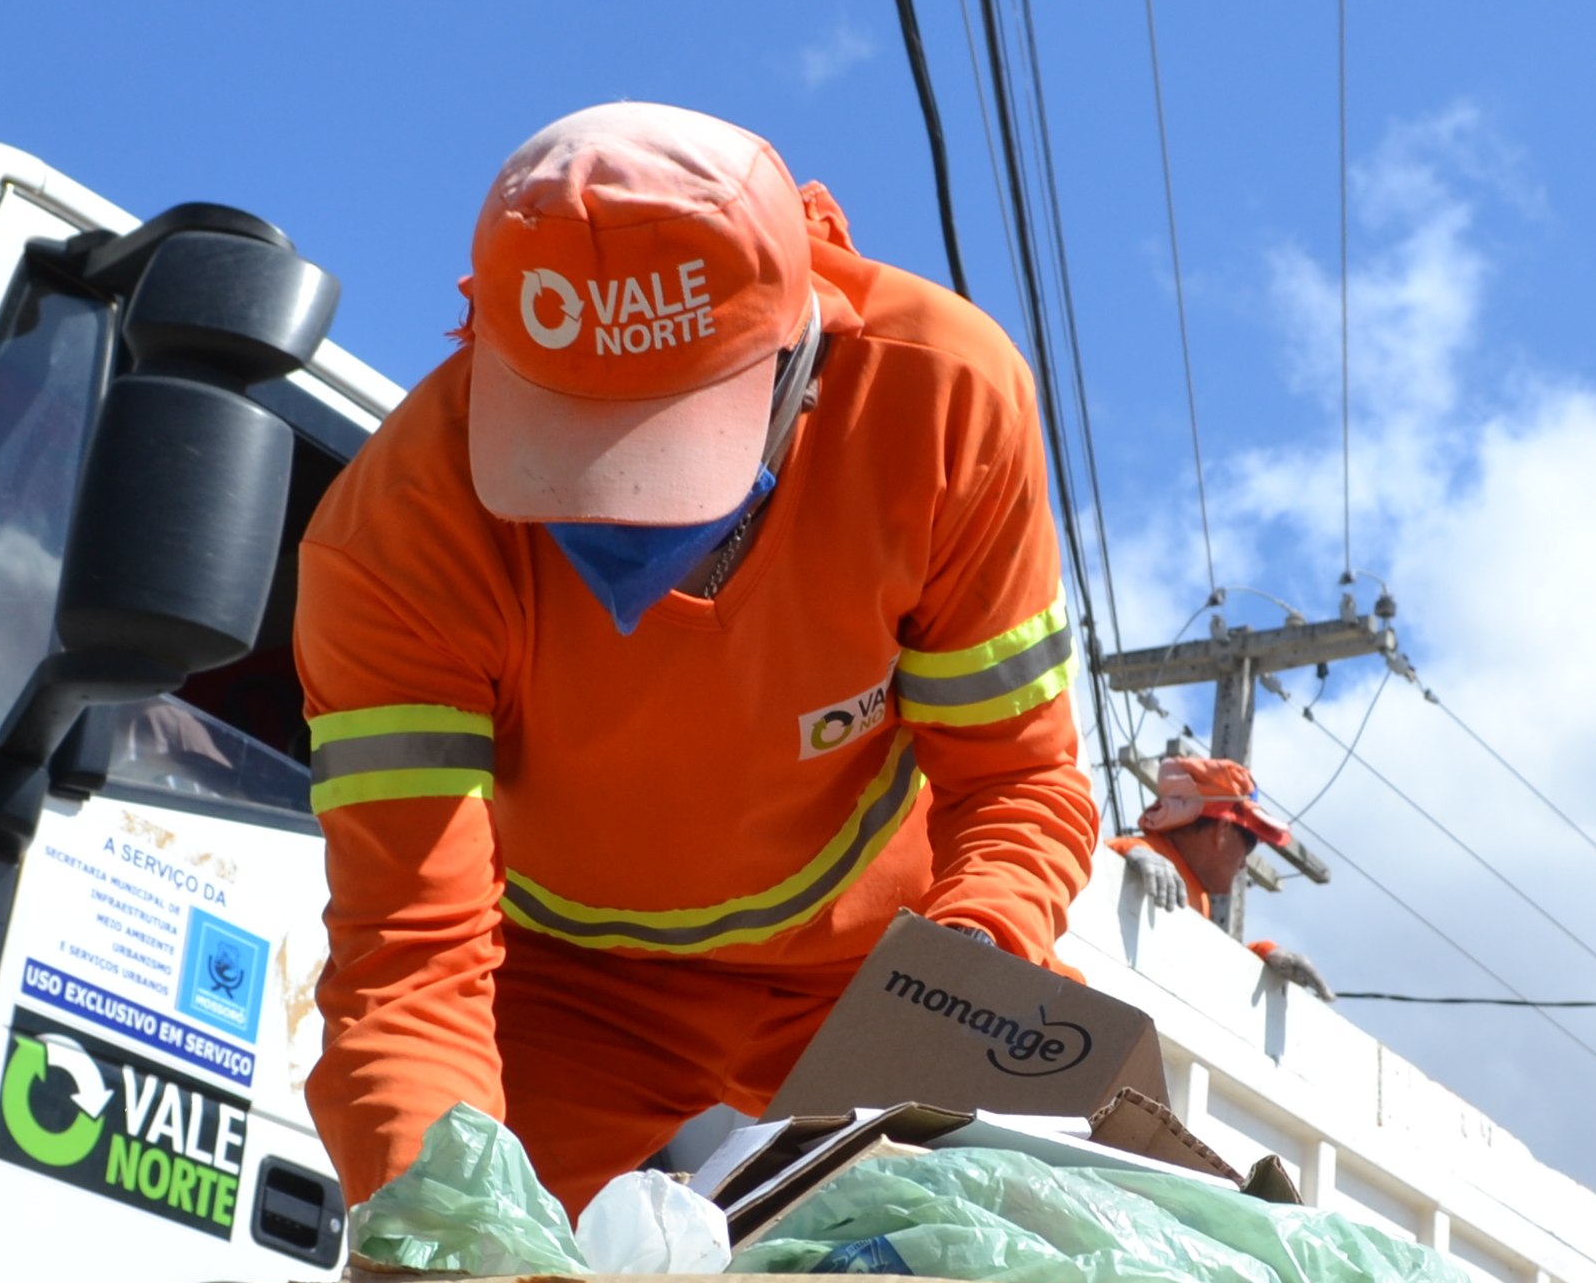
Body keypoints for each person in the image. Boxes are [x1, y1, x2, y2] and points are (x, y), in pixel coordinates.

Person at [293, 101, 1100, 1213]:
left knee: (1055, 1252)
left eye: (662, 447)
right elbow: (409, 956)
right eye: (574, 443)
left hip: (878, 968)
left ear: (802, 355)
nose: (619, 514)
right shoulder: (395, 539)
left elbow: (1016, 779)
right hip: (560, 999)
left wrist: (959, 982)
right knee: (445, 1275)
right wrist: (436, 1213)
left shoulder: (940, 400)